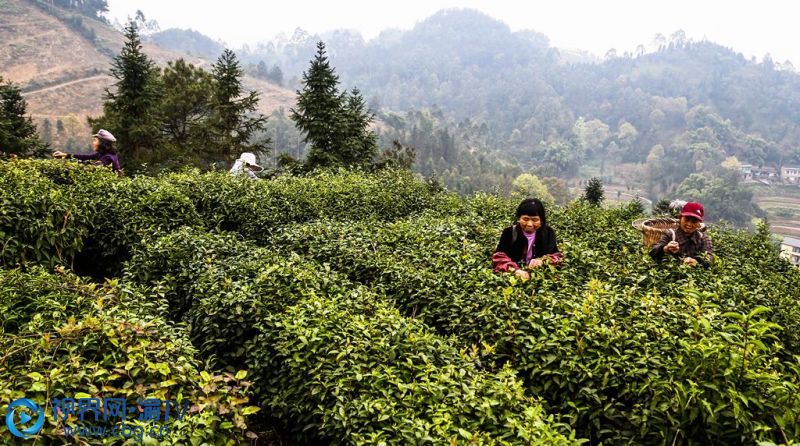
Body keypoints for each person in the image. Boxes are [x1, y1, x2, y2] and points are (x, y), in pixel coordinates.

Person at [492, 198, 564, 280]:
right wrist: (515, 270)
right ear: (519, 218)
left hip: (539, 279)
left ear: (541, 220)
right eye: (525, 219)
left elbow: (557, 257)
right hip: (513, 279)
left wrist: (543, 261)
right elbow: (498, 257)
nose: (530, 224)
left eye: (535, 220)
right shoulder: (509, 232)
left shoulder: (548, 233)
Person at [649, 201, 713, 267]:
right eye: (686, 220)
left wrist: (696, 261)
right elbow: (652, 252)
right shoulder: (670, 234)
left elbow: (709, 257)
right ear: (680, 218)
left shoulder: (702, 237)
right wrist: (666, 248)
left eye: (694, 221)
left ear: (699, 223)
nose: (689, 224)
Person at [52, 129, 121, 176]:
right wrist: (65, 155)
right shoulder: (103, 154)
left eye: (95, 140)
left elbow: (92, 169)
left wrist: (69, 168)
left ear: (102, 143)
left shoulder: (108, 157)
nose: (93, 143)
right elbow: (86, 157)